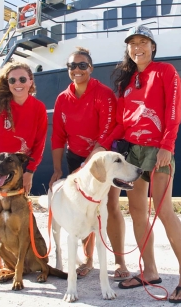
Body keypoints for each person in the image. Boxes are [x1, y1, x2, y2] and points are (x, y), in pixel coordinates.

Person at [102, 25, 181, 303]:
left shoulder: (165, 71)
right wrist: (103, 146)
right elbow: (122, 123)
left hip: (157, 151)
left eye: (143, 42)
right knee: (136, 211)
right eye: (133, 44)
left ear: (153, 47)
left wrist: (167, 146)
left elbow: (173, 110)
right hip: (133, 153)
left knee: (163, 210)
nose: (138, 48)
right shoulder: (127, 81)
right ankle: (150, 272)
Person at [49, 47, 131, 281]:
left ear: (91, 68)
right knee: (82, 209)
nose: (77, 69)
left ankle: (120, 262)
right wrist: (57, 169)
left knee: (109, 207)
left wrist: (94, 156)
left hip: (103, 157)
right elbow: (58, 137)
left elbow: (111, 127)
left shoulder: (102, 94)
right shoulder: (62, 99)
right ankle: (87, 260)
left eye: (82, 65)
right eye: (72, 66)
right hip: (76, 159)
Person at [0, 61, 48, 280]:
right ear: (7, 83)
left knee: (20, 219)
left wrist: (30, 171)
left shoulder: (38, 108)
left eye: (22, 79)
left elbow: (39, 142)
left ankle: (18, 263)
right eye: (12, 80)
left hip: (19, 169)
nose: (18, 83)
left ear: (30, 82)